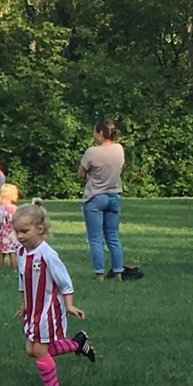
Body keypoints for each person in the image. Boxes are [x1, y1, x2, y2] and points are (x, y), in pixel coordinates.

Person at [13, 199, 96, 386]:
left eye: (25, 231)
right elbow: (22, 280)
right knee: (31, 350)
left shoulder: (48, 255)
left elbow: (64, 281)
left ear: (40, 229)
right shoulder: (22, 252)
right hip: (33, 309)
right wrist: (23, 304)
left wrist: (69, 305)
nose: (20, 236)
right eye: (17, 232)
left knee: (40, 351)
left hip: (48, 310)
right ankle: (78, 343)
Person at [79, 119, 127, 281]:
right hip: (114, 195)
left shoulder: (92, 152)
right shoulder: (119, 149)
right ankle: (118, 272)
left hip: (95, 196)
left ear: (100, 133)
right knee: (113, 236)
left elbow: (81, 174)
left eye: (95, 132)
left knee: (95, 237)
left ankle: (99, 273)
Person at [0, 182, 20, 267]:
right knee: (12, 251)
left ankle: (0, 268)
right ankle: (14, 268)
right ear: (9, 195)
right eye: (15, 194)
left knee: (1, 252)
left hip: (0, 232)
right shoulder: (13, 208)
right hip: (11, 232)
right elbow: (16, 220)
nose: (17, 196)